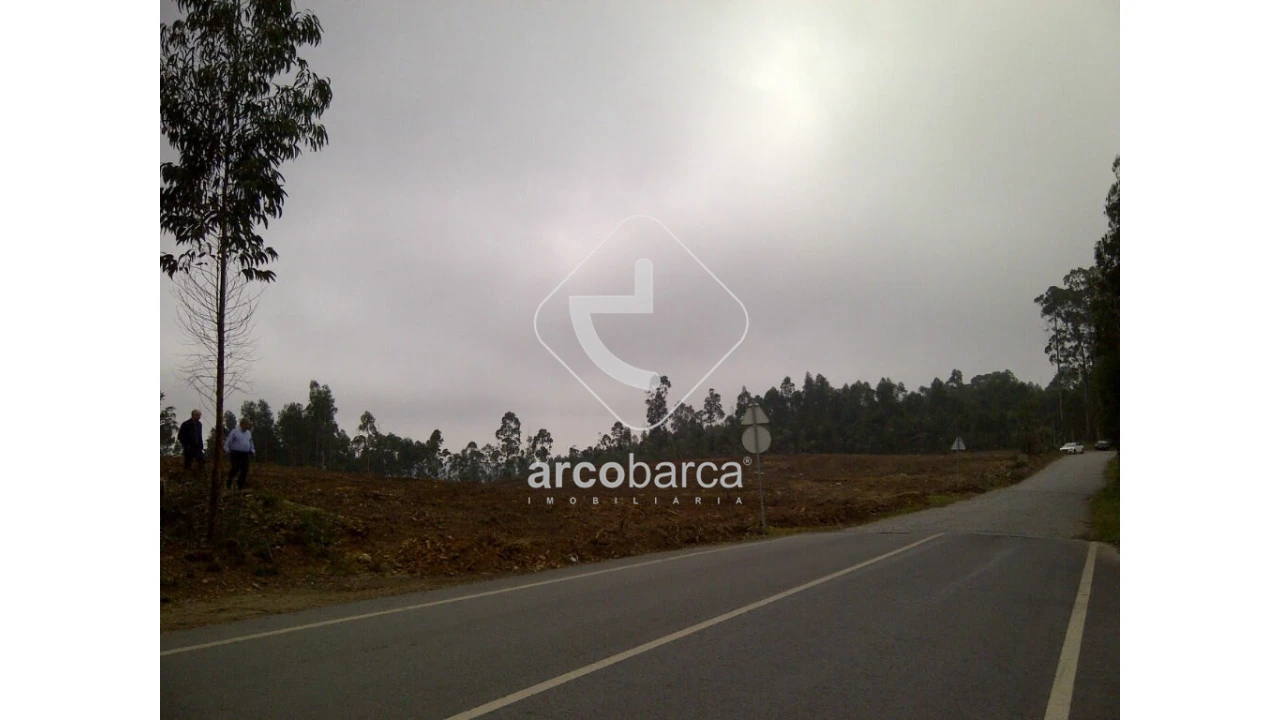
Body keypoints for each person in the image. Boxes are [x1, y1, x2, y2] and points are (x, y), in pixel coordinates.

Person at [224, 418, 256, 491]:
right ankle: (229, 481)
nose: (248, 426)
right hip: (235, 453)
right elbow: (228, 441)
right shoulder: (235, 431)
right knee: (235, 468)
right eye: (247, 425)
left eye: (248, 425)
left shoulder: (248, 433)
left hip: (245, 454)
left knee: (245, 470)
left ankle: (240, 487)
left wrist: (252, 450)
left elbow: (251, 443)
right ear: (242, 424)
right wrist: (226, 449)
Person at [178, 409, 205, 475]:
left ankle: (200, 474)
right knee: (188, 462)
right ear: (193, 415)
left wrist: (201, 445)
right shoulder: (186, 424)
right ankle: (186, 475)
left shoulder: (199, 424)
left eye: (199, 415)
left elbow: (200, 435)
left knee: (201, 460)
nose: (199, 417)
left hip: (197, 446)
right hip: (189, 446)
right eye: (198, 415)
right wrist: (186, 445)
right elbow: (180, 436)